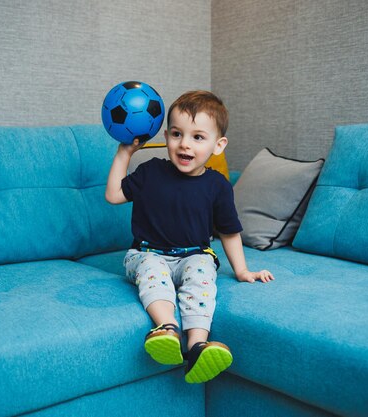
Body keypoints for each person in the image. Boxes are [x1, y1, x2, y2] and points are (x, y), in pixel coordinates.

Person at [105, 90, 274, 384]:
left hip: (193, 254)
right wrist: (124, 154)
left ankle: (197, 345)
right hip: (147, 253)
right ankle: (166, 328)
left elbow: (229, 232)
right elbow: (113, 194)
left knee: (203, 275)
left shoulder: (218, 186)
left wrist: (243, 270)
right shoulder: (151, 171)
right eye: (176, 133)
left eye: (198, 137)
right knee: (152, 270)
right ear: (166, 136)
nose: (184, 144)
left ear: (218, 145)